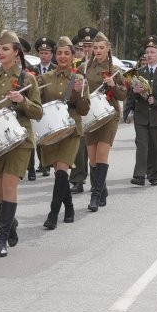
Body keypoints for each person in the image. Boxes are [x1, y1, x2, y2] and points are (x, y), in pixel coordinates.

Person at [0, 30, 43, 257]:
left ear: (16, 53)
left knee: (9, 187)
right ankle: (10, 224)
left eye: (5, 49)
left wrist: (23, 100)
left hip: (20, 139)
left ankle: (1, 237)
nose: (0, 52)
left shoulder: (27, 78)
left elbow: (38, 112)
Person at [37, 37, 90, 228]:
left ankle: (53, 214)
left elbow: (84, 110)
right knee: (59, 172)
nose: (62, 56)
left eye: (66, 53)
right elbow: (38, 105)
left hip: (72, 129)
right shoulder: (44, 78)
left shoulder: (79, 79)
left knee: (62, 170)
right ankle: (69, 207)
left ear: (73, 56)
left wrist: (79, 93)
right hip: (51, 129)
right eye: (59, 53)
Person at [82, 31, 127, 210]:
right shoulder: (84, 68)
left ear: (108, 49)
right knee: (92, 159)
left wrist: (113, 85)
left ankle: (95, 194)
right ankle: (102, 189)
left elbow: (123, 94)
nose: (98, 50)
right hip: (90, 117)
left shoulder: (115, 70)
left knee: (101, 155)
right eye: (95, 47)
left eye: (101, 47)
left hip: (109, 115)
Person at [125, 35, 157, 186]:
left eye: (152, 52)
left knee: (156, 147)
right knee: (142, 145)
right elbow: (130, 96)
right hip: (141, 115)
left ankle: (154, 175)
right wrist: (134, 92)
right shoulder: (136, 73)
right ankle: (139, 175)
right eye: (147, 52)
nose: (149, 55)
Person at [68, 27, 97, 193]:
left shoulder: (102, 64)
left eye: (90, 46)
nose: (86, 49)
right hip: (80, 108)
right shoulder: (76, 66)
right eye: (83, 47)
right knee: (79, 145)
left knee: (93, 146)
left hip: (96, 109)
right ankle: (78, 179)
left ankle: (96, 181)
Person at [32, 37, 57, 178]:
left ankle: (49, 163)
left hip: (51, 106)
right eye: (41, 52)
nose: (44, 55)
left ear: (52, 55)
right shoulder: (33, 69)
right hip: (37, 106)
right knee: (39, 137)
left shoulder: (55, 69)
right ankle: (43, 164)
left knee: (50, 136)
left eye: (47, 53)